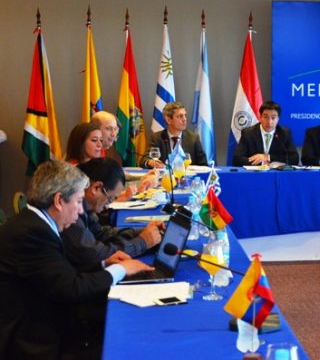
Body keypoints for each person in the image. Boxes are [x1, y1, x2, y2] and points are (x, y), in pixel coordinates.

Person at [0, 160, 152, 359]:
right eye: (79, 201)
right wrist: (122, 269)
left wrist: (105, 263)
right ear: (59, 200)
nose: (81, 210)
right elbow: (72, 288)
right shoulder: (33, 234)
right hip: (33, 340)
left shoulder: (35, 222)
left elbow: (60, 272)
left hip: (47, 314)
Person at [61, 158, 165, 271]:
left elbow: (100, 234)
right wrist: (143, 242)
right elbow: (97, 255)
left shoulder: (86, 207)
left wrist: (141, 232)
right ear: (96, 187)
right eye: (111, 198)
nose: (110, 204)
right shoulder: (71, 213)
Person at [233, 101, 300, 166]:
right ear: (260, 117)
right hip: (254, 172)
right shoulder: (248, 133)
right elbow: (237, 159)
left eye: (273, 118)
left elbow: (294, 159)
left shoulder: (284, 133)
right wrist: (261, 162)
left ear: (278, 119)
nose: (269, 122)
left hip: (276, 173)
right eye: (266, 117)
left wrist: (268, 157)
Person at [146, 101, 208, 168]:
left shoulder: (193, 138)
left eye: (185, 115)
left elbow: (203, 164)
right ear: (168, 120)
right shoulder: (157, 138)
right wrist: (150, 162)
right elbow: (144, 159)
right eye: (180, 116)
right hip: (165, 174)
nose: (184, 119)